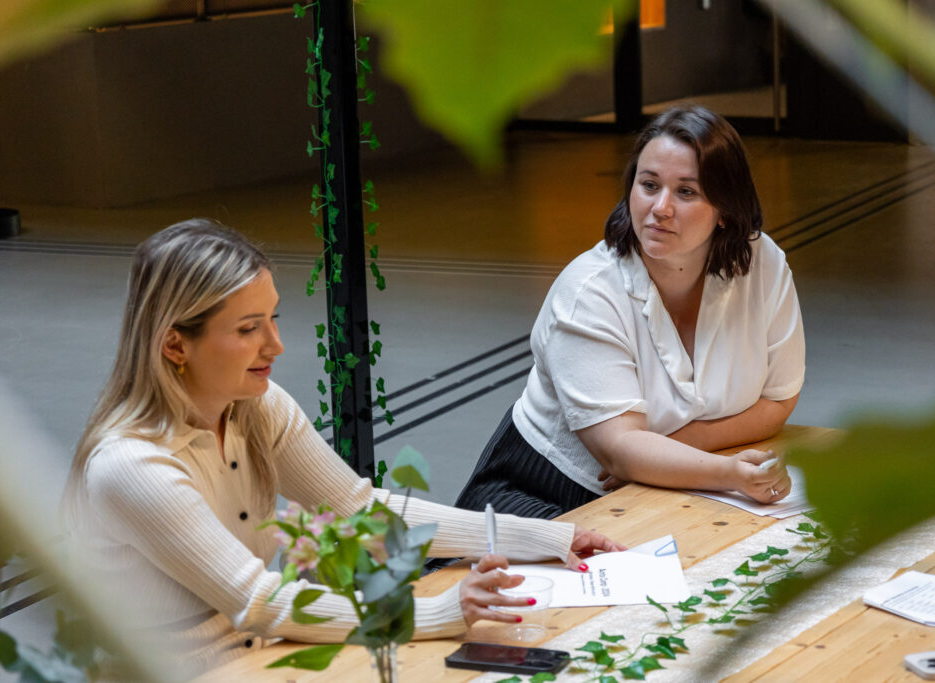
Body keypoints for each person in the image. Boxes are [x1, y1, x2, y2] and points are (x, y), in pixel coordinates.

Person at [62, 219, 623, 676]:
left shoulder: (257, 405)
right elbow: (258, 600)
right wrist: (433, 613)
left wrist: (551, 537)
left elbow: (359, 511)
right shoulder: (132, 464)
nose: (276, 345)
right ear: (174, 344)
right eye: (248, 329)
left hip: (262, 651)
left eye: (273, 319)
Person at [455, 105, 805, 520]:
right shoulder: (589, 290)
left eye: (686, 191)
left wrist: (675, 451)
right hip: (547, 492)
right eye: (649, 184)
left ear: (726, 209)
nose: (661, 207)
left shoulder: (761, 263)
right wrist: (726, 472)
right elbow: (621, 451)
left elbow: (778, 400)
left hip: (673, 486)